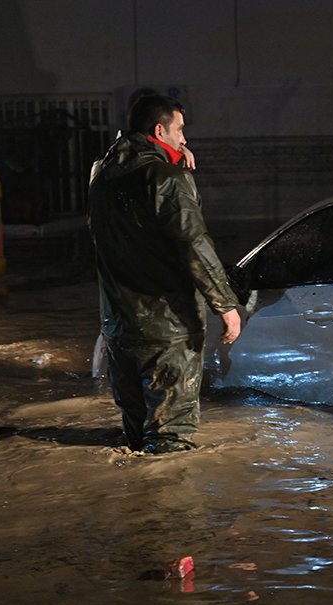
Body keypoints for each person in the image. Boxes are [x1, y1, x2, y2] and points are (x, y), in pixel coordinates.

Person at [87, 94, 241, 455]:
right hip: (167, 328)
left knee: (135, 431)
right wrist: (225, 305)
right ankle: (166, 494)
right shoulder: (166, 178)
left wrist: (173, 159)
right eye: (180, 130)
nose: (185, 139)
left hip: (119, 325)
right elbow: (193, 243)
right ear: (160, 131)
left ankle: (135, 491)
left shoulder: (101, 176)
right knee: (171, 440)